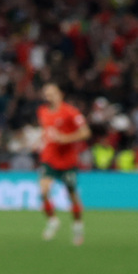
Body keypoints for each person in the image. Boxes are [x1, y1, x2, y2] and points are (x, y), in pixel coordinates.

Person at [37, 82, 90, 246]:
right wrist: (41, 140)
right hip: (50, 158)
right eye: (46, 93)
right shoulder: (42, 112)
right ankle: (53, 221)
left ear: (60, 94)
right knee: (43, 190)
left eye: (52, 93)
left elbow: (86, 133)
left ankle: (77, 226)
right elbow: (46, 131)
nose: (48, 96)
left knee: (72, 195)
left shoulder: (71, 112)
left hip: (67, 160)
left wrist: (65, 138)